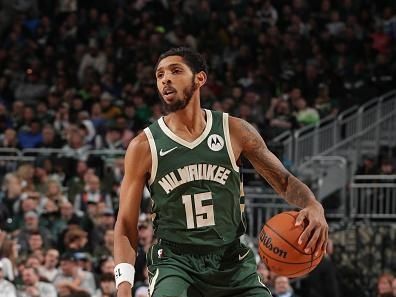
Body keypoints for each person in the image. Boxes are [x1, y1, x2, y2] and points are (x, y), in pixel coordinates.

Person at [114, 47, 328, 297]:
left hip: (231, 261)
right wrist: (124, 285)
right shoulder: (144, 146)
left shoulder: (235, 131)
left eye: (175, 71)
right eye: (159, 75)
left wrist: (313, 205)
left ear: (200, 78)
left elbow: (284, 182)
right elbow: (126, 224)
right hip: (175, 261)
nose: (165, 79)